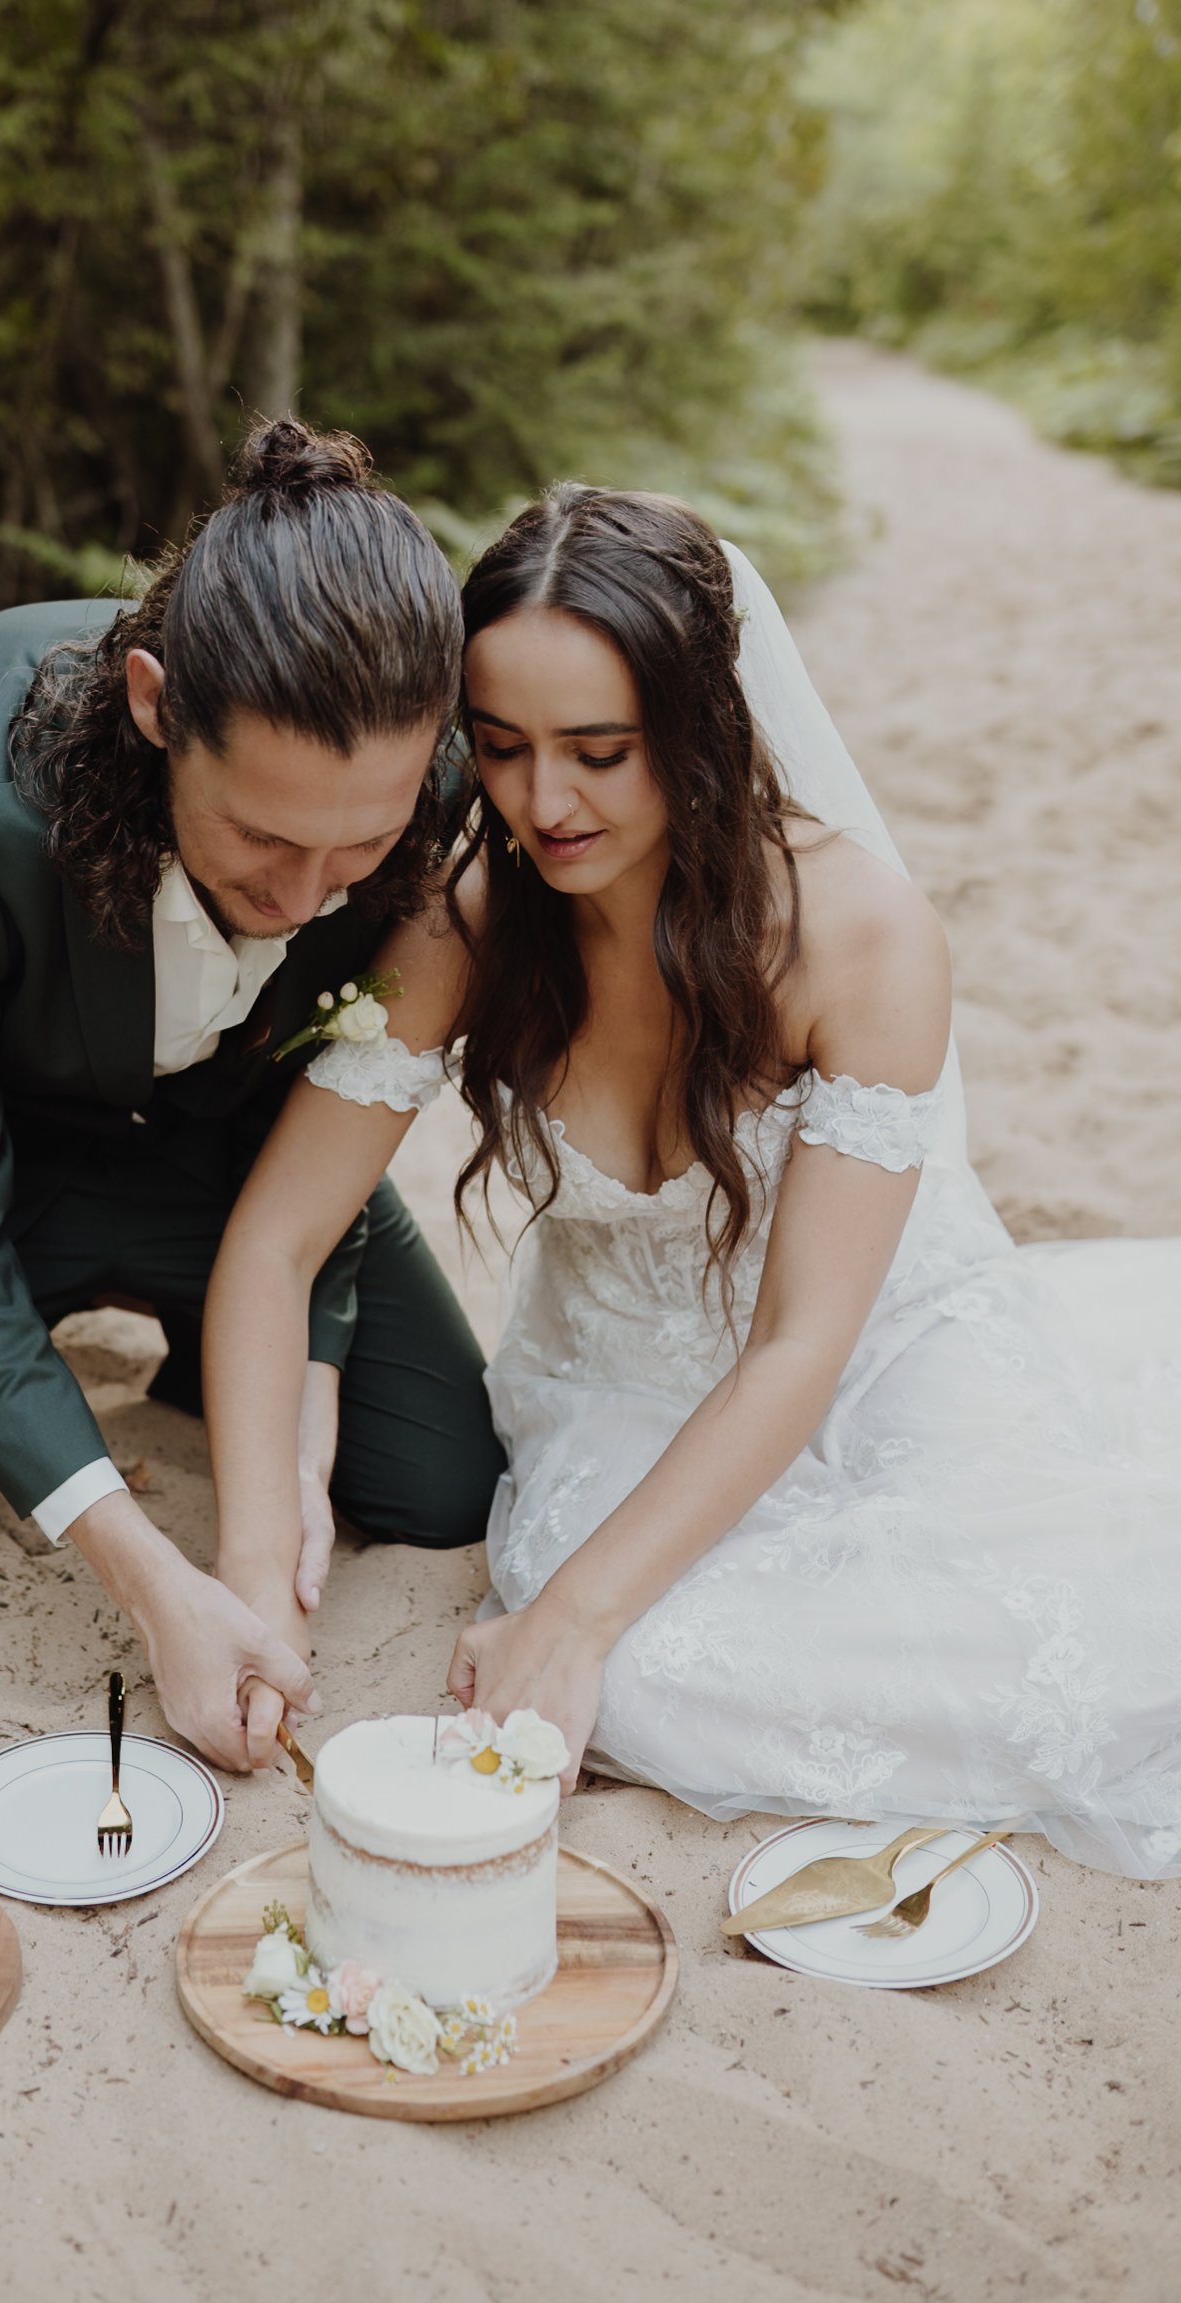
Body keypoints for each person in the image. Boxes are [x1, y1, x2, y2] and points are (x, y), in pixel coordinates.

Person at [205, 484, 1181, 1880]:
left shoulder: (859, 934)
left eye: (600, 752)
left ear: (700, 724)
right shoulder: (466, 928)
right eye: (501, 748)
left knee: (1059, 1625)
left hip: (877, 1336)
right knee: (650, 1680)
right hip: (618, 1377)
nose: (544, 804)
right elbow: (276, 1241)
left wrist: (576, 1617)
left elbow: (800, 1343)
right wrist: (255, 1569)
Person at [0, 420, 504, 1772]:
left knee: (445, 1482)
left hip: (216, 1150)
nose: (305, 895)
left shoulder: (428, 784)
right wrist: (152, 1582)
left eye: (358, 847)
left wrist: (302, 1403)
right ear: (155, 705)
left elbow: (333, 1111)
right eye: (262, 834)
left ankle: (198, 1335)